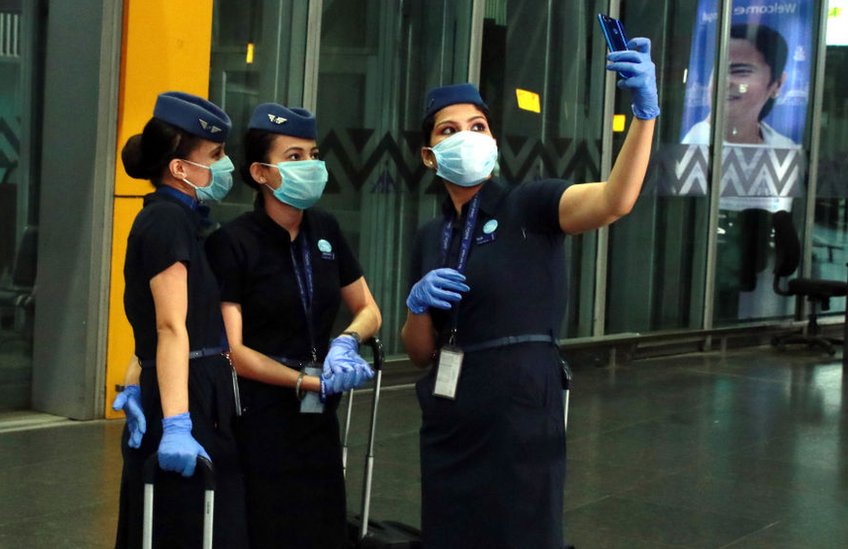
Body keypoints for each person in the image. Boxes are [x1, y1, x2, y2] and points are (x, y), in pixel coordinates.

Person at [401, 37, 659, 548]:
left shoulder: (530, 205)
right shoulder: (432, 237)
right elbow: (419, 352)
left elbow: (614, 200)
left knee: (522, 529)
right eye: (449, 130)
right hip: (452, 411)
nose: (467, 137)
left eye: (478, 126)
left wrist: (644, 115)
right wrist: (416, 306)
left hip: (520, 406)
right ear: (430, 155)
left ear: (494, 141)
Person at [205, 102, 381, 549]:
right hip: (261, 415)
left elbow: (368, 309)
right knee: (270, 527)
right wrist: (301, 381)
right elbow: (234, 350)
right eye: (295, 157)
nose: (311, 166)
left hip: (319, 414)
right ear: (261, 173)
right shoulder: (234, 242)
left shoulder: (325, 228)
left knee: (321, 526)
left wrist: (347, 340)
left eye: (314, 154)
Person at [114, 91, 248, 548]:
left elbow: (149, 323)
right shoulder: (167, 222)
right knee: (184, 526)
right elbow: (170, 326)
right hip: (186, 393)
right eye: (216, 155)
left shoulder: (181, 219)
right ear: (179, 168)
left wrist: (132, 379)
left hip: (192, 386)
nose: (225, 165)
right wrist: (176, 423)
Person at [682, 24, 795, 147]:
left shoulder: (784, 147)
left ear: (777, 84)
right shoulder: (690, 147)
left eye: (740, 71)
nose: (725, 83)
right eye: (719, 71)